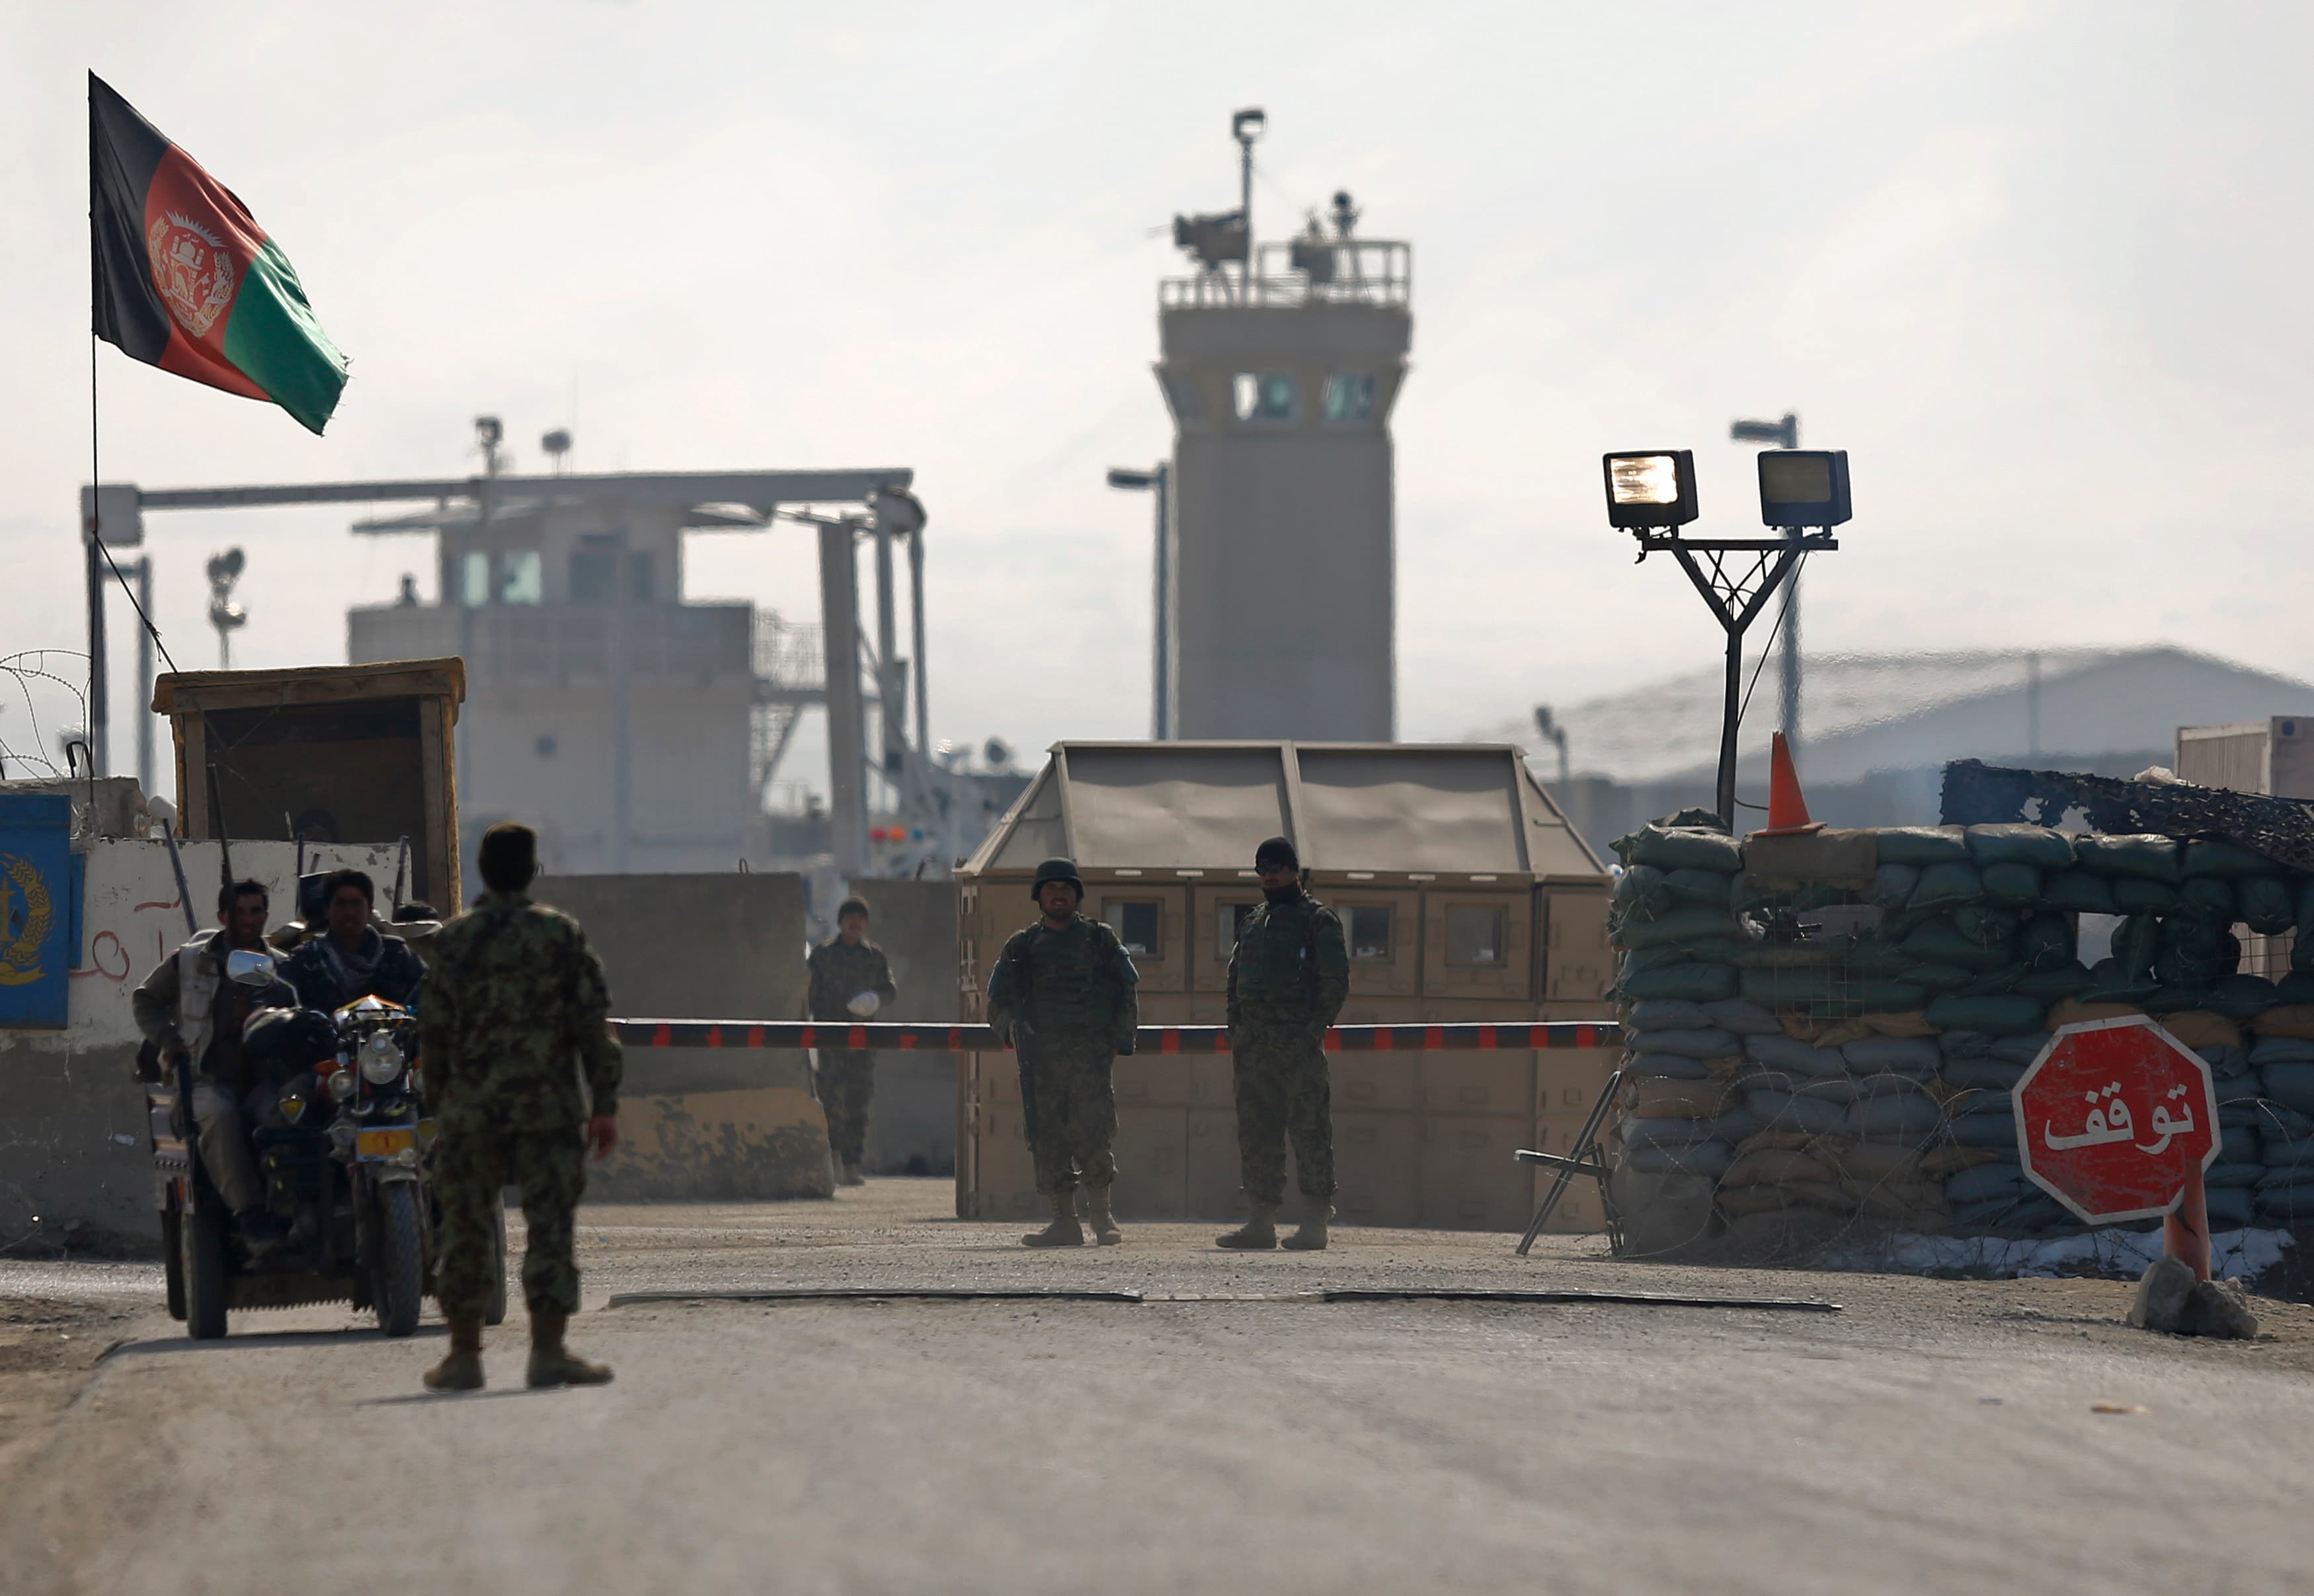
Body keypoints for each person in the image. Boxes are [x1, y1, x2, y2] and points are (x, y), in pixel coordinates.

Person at [419, 822, 622, 1393]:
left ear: (483, 871)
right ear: (533, 871)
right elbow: (592, 1026)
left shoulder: (454, 942)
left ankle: (463, 1356)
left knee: (464, 1230)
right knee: (550, 1229)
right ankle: (548, 1352)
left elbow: (432, 1035)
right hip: (548, 1109)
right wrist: (604, 1103)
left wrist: (441, 1105)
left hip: (470, 1111)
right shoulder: (559, 935)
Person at [131, 879, 299, 1256]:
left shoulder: (285, 969)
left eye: (256, 911)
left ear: (266, 916)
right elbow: (145, 1000)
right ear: (222, 916)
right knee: (222, 1116)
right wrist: (170, 1041)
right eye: (239, 912)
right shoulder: (189, 960)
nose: (248, 920)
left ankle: (293, 1207)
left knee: (291, 1115)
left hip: (263, 1081)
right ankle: (249, 1213)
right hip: (205, 1080)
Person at [986, 858, 1138, 1247]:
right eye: (1051, 888)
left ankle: (1103, 1218)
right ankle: (1064, 1220)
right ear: (1038, 896)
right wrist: (1011, 1027)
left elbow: (1127, 989)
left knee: (1093, 1134)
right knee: (1047, 1138)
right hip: (1042, 1061)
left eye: (1066, 888)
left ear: (1077, 896)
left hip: (1089, 1057)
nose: (1058, 894)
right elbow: (996, 1003)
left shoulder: (1100, 939)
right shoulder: (1021, 946)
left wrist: (1119, 1041)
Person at [1217, 836, 1349, 1252]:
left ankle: (1314, 1222)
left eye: (1276, 867)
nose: (1269, 875)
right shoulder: (1254, 920)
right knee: (1257, 1132)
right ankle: (1261, 1221)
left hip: (1298, 1045)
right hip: (1253, 1047)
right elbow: (1235, 979)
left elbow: (1335, 981)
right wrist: (1237, 1027)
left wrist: (1311, 1028)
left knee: (1309, 1130)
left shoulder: (1318, 920)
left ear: (1294, 869)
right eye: (1262, 868)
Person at [804, 898, 898, 1187]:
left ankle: (851, 1164)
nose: (855, 924)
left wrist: (875, 1000)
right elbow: (806, 994)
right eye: (850, 919)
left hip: (862, 1042)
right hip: (830, 1040)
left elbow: (890, 991)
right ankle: (831, 1159)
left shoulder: (874, 957)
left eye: (860, 919)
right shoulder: (822, 956)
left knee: (858, 1101)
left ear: (865, 924)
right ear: (840, 922)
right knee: (831, 1102)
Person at [279, 868, 427, 1014]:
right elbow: (279, 1006)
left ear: (370, 911)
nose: (349, 912)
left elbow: (428, 997)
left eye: (356, 904)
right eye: (341, 904)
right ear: (327, 912)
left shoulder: (397, 955)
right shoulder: (306, 960)